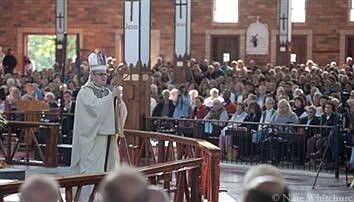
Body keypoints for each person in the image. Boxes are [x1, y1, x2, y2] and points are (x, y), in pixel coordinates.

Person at [71, 49, 127, 201]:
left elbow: (118, 114)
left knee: (108, 177)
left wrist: (119, 101)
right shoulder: (85, 92)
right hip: (92, 142)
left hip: (107, 141)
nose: (104, 76)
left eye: (105, 74)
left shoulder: (105, 91)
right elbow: (93, 110)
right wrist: (112, 97)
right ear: (92, 75)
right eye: (101, 74)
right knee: (91, 178)